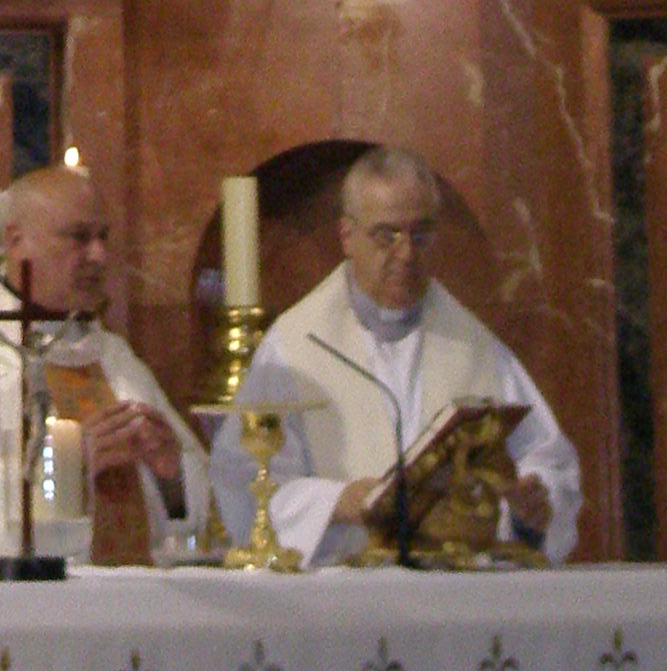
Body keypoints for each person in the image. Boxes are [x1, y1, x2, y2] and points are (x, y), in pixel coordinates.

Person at [228, 144, 580, 565]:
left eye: (421, 234)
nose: (407, 254)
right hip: (338, 594)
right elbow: (245, 481)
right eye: (387, 235)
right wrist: (337, 501)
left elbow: (547, 460)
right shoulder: (294, 347)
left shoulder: (475, 349)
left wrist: (530, 507)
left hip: (450, 590)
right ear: (347, 236)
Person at [0, 163, 208, 564]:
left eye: (103, 237)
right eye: (79, 237)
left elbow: (191, 503)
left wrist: (171, 475)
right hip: (16, 596)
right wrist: (64, 469)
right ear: (16, 241)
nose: (99, 255)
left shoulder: (112, 355)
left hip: (125, 593)